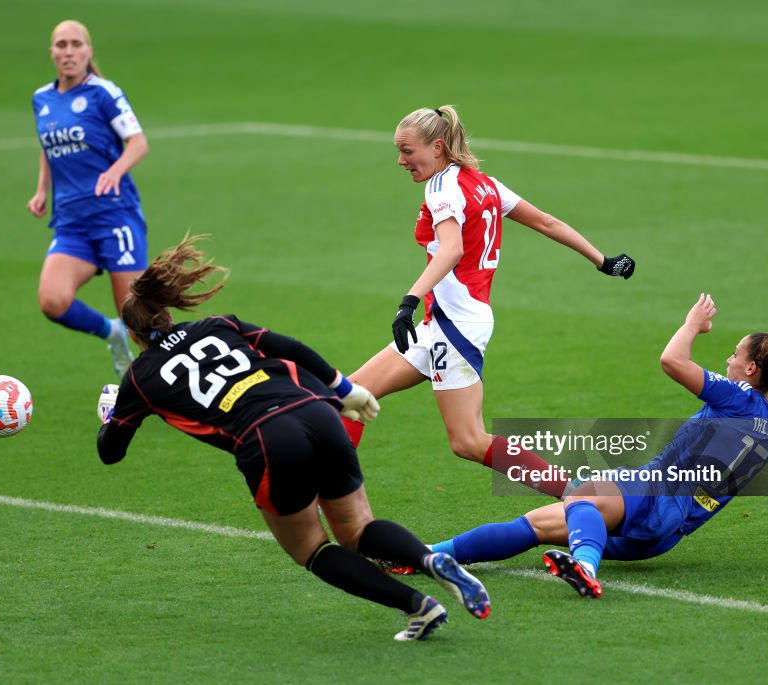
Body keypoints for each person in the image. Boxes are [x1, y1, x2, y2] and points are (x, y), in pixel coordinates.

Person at [96, 235, 492, 640]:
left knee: (311, 549)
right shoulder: (217, 325)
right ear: (167, 312)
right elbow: (286, 346)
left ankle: (419, 607)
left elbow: (110, 453)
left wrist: (111, 417)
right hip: (316, 411)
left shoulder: (139, 379)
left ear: (134, 334)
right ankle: (429, 561)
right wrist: (343, 389)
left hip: (266, 439)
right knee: (357, 529)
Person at [418, 294, 768, 597]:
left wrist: (691, 325)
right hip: (665, 534)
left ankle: (585, 567)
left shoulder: (737, 396)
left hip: (657, 493)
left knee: (583, 494)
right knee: (537, 524)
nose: (728, 360)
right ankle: (424, 556)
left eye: (735, 355)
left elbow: (672, 361)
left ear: (750, 369)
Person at [343, 105, 636, 498]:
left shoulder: (442, 188)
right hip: (442, 322)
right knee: (350, 395)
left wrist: (408, 301)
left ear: (437, 146)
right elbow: (547, 221)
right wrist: (603, 261)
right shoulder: (485, 184)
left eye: (407, 151)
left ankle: (579, 494)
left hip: (456, 326)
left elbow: (450, 250)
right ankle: (334, 499)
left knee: (467, 440)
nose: (401, 160)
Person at [27, 19, 150, 377]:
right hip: (72, 222)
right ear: (51, 52)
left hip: (115, 217)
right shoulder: (42, 99)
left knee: (139, 320)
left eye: (76, 44)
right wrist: (41, 190)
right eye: (61, 45)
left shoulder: (104, 93)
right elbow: (48, 147)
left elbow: (138, 142)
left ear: (88, 51)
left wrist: (115, 171)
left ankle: (166, 387)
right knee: (52, 300)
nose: (69, 52)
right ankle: (110, 333)